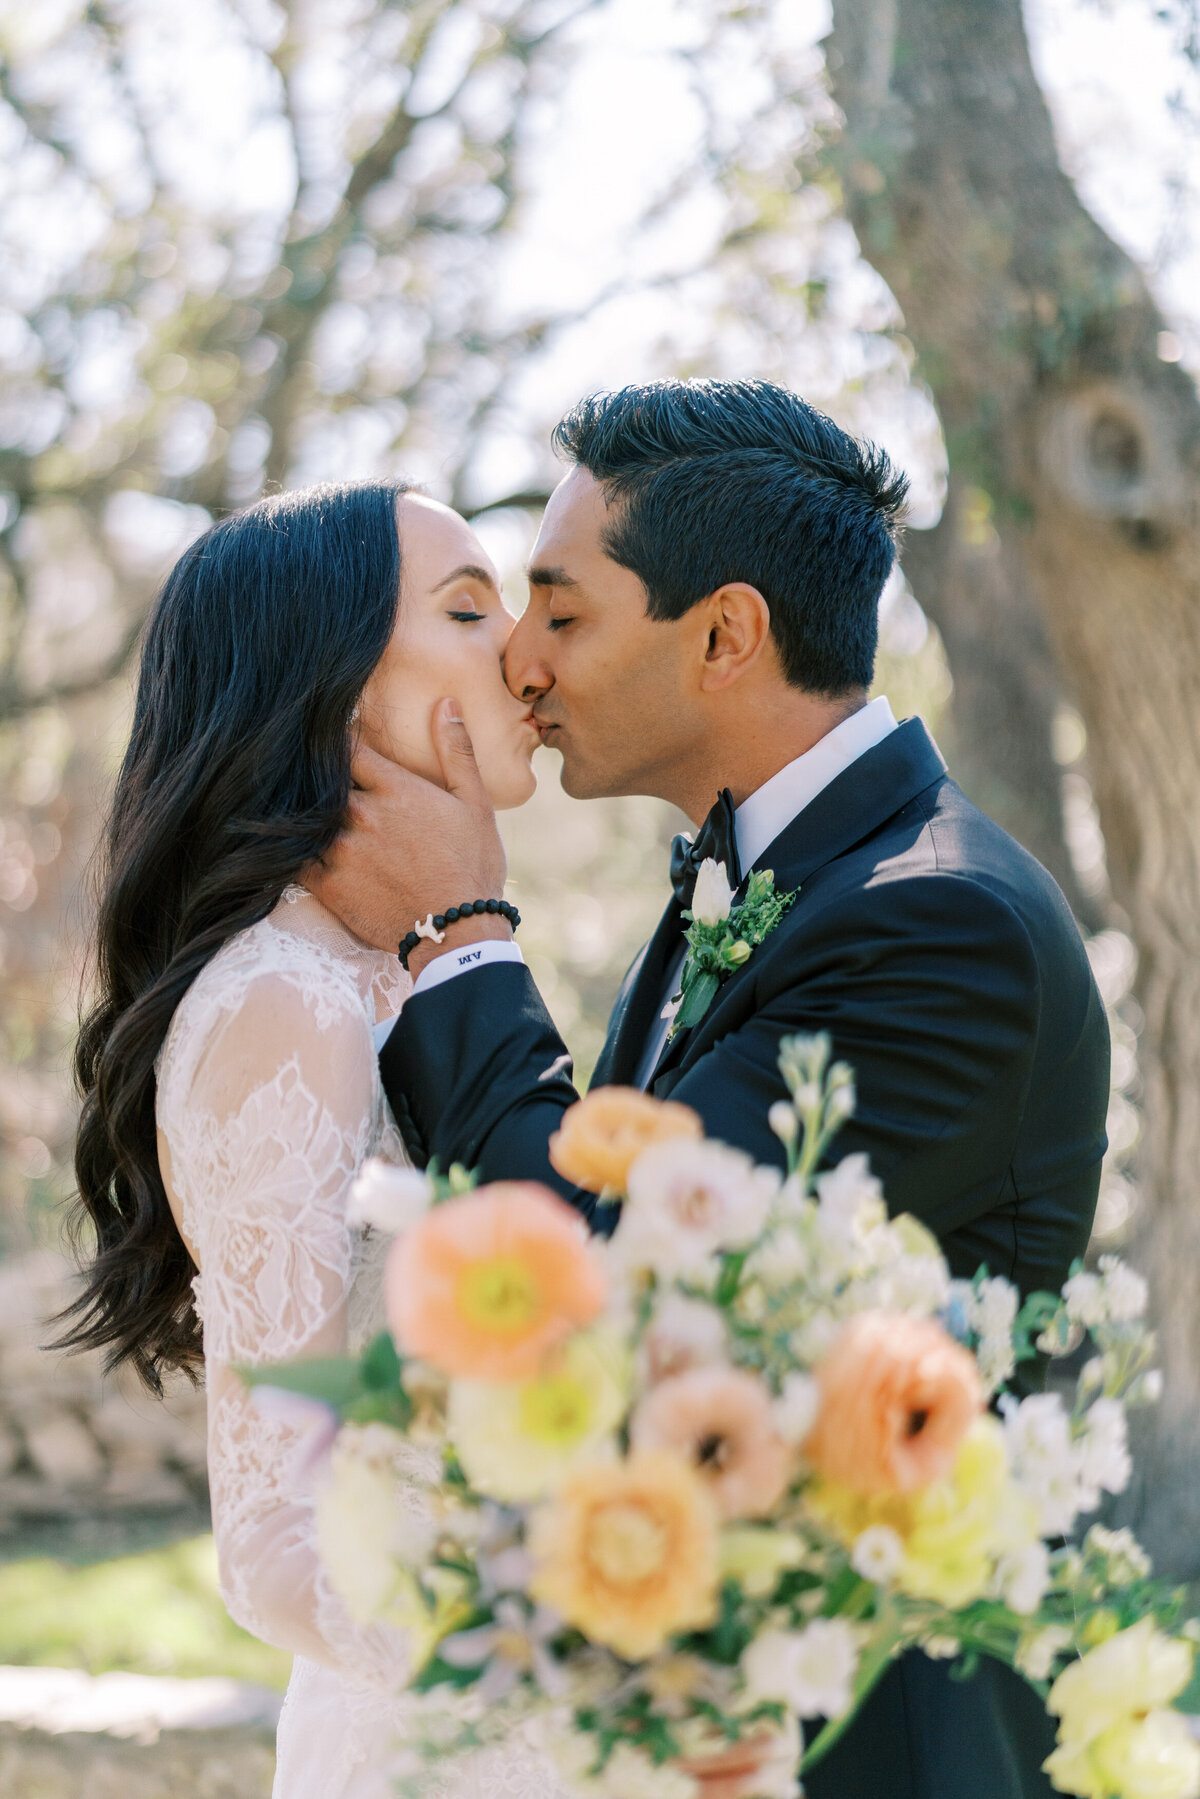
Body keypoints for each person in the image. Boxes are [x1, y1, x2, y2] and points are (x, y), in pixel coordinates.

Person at [311, 379, 1112, 1799]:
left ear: (726, 634)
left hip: (871, 1743)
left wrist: (463, 936)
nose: (521, 668)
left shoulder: (940, 923)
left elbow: (590, 1298)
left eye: (562, 613)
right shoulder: (757, 881)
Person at [58, 480, 593, 1799]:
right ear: (331, 682)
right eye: (468, 610)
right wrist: (560, 1666)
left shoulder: (399, 980)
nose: (525, 652)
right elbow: (276, 1535)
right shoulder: (285, 1005)